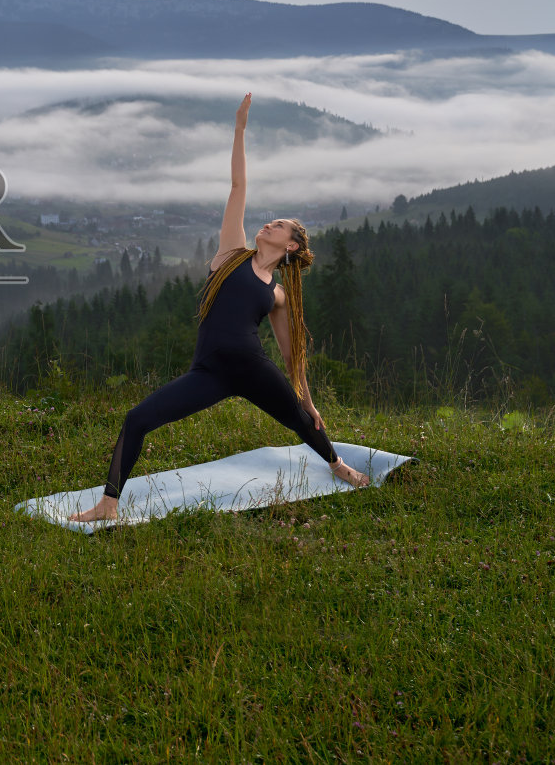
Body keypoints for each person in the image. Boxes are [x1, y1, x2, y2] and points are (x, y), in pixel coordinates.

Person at [70, 93, 369, 522]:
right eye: (271, 221)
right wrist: (239, 129)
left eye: (279, 225)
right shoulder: (232, 254)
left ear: (290, 245)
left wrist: (307, 397)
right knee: (137, 419)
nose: (268, 223)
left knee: (303, 421)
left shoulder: (279, 295)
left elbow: (291, 354)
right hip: (208, 372)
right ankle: (108, 505)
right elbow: (237, 187)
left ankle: (339, 466)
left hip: (252, 369)